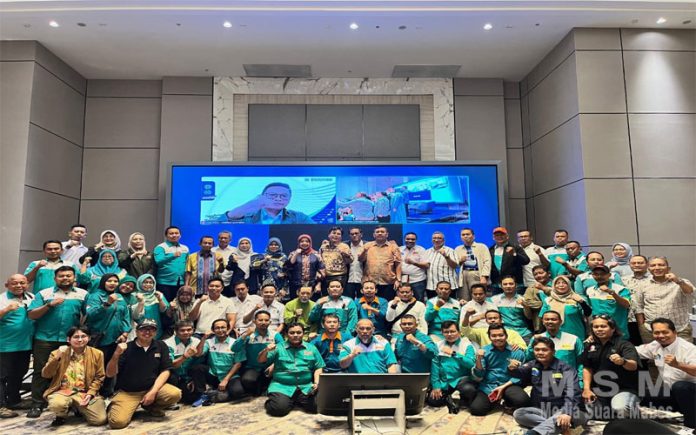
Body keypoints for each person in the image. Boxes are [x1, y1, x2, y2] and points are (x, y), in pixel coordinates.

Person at [27, 266, 88, 418]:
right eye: (61, 276)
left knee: (70, 371)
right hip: (45, 339)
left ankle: (69, 403)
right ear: (55, 278)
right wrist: (49, 305)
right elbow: (32, 315)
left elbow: (87, 315)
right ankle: (37, 404)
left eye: (69, 275)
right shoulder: (44, 293)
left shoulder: (83, 294)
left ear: (74, 278)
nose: (65, 278)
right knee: (41, 371)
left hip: (70, 341)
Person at [106, 319, 182, 429]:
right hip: (128, 392)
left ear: (155, 332)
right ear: (136, 331)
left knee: (175, 394)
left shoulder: (161, 345)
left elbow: (166, 370)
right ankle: (118, 406)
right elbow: (110, 374)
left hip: (150, 388)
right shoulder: (126, 348)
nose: (147, 332)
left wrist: (153, 392)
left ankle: (151, 407)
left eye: (151, 329)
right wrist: (116, 354)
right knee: (117, 423)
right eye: (143, 329)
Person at [511, 337, 586, 435]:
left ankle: (535, 433)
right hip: (543, 410)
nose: (540, 352)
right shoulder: (532, 365)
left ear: (553, 352)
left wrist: (566, 413)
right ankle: (560, 428)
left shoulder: (566, 369)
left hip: (566, 409)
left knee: (564, 417)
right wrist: (512, 368)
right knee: (518, 413)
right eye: (537, 350)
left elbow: (573, 393)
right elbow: (520, 373)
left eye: (544, 350)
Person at [636, 318, 696, 429]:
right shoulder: (655, 346)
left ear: (674, 332)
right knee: (644, 394)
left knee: (680, 386)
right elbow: (635, 351)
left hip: (691, 392)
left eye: (665, 332)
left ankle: (692, 425)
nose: (661, 336)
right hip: (674, 393)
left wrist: (678, 364)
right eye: (657, 333)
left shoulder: (688, 348)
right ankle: (683, 411)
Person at [41, 326, 107, 427]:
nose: (80, 340)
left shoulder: (97, 354)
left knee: (99, 420)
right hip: (63, 392)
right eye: (76, 337)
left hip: (84, 393)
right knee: (57, 404)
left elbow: (99, 377)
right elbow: (46, 374)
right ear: (68, 339)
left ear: (89, 338)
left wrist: (91, 393)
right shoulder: (57, 353)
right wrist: (57, 357)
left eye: (83, 336)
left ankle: (78, 408)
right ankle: (61, 415)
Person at [259, 323, 325, 417]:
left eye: (299, 332)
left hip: (305, 386)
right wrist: (266, 350)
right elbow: (261, 360)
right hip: (282, 386)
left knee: (319, 406)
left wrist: (316, 383)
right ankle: (283, 400)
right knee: (278, 409)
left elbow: (319, 367)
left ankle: (293, 400)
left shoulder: (311, 348)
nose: (295, 335)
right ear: (286, 334)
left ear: (303, 333)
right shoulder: (278, 347)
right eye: (292, 333)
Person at [582, 315, 641, 420]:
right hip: (600, 391)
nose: (599, 329)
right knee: (591, 412)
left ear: (613, 328)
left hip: (623, 389)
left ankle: (632, 411)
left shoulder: (624, 344)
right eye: (596, 327)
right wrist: (586, 389)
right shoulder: (590, 346)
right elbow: (587, 368)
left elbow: (633, 366)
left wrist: (623, 361)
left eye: (603, 326)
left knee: (621, 408)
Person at [85, 273, 131, 397]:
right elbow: (90, 314)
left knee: (112, 366)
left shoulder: (119, 296)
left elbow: (125, 316)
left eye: (115, 281)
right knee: (97, 368)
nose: (112, 283)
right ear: (103, 282)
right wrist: (107, 304)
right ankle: (92, 393)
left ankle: (107, 393)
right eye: (109, 281)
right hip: (100, 339)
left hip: (116, 339)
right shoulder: (95, 296)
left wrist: (125, 332)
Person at [469, 324, 530, 416]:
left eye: (501, 335)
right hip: (489, 386)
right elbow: (479, 375)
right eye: (494, 336)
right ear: (489, 337)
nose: (497, 338)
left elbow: (520, 376)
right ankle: (495, 401)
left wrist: (503, 387)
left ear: (506, 336)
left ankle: (506, 401)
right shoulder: (484, 351)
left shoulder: (517, 352)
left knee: (523, 401)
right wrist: (478, 359)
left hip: (508, 385)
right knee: (477, 410)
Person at [635, 256, 694, 343]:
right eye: (653, 265)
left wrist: (678, 281)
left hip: (679, 329)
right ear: (648, 269)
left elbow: (690, 292)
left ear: (668, 268)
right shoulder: (642, 285)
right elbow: (638, 307)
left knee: (685, 352)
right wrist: (641, 326)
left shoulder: (680, 282)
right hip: (651, 330)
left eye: (661, 265)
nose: (657, 268)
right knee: (653, 352)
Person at [0, 274, 34, 418]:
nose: (19, 286)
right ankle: (1, 406)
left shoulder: (31, 297)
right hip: (5, 345)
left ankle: (14, 401)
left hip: (25, 345)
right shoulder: (2, 299)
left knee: (18, 374)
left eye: (22, 283)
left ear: (27, 284)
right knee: (2, 377)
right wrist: (6, 309)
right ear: (7, 285)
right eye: (14, 283)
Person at [189, 319, 245, 404]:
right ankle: (202, 395)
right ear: (213, 330)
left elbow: (238, 364)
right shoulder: (209, 342)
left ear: (228, 328)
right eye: (217, 328)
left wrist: (225, 380)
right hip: (213, 374)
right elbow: (198, 354)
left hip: (229, 376)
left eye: (223, 327)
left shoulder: (235, 343)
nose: (220, 330)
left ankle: (217, 393)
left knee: (237, 392)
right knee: (197, 368)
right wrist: (204, 338)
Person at [427, 320, 477, 413]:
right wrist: (436, 386)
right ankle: (448, 397)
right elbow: (435, 367)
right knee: (433, 400)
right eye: (446, 332)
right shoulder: (438, 345)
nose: (449, 334)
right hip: (444, 381)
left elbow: (471, 364)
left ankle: (461, 398)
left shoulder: (467, 345)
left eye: (452, 331)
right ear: (442, 333)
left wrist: (454, 354)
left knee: (469, 390)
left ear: (459, 332)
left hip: (461, 380)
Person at [238, 311, 284, 396]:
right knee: (248, 380)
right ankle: (258, 388)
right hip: (253, 367)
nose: (263, 322)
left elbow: (283, 352)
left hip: (271, 367)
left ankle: (265, 386)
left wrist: (274, 365)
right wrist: (245, 335)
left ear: (270, 322)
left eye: (266, 320)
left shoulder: (275, 335)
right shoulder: (249, 335)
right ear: (254, 321)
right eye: (260, 320)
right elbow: (235, 348)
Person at [526, 310, 584, 379]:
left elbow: (581, 363)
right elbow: (529, 358)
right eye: (547, 319)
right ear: (543, 322)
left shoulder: (573, 339)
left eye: (553, 319)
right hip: (543, 380)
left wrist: (580, 380)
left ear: (560, 322)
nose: (550, 321)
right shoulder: (537, 339)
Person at [225, 182, 314, 224]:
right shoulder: (247, 214)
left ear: (289, 199)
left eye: (283, 196)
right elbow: (218, 223)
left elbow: (317, 229)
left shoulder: (299, 217)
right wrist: (246, 207)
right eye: (272, 195)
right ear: (262, 197)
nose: (278, 199)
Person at [539, 276, 592, 341]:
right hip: (554, 336)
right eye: (558, 283)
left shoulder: (577, 298)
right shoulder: (548, 300)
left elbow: (588, 313)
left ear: (569, 285)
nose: (561, 285)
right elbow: (542, 319)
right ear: (554, 286)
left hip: (576, 334)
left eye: (564, 283)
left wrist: (582, 302)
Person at [164, 320, 204, 404]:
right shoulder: (167, 343)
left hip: (189, 375)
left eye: (189, 330)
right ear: (176, 331)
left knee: (199, 368)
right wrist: (185, 356)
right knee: (184, 398)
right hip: (175, 376)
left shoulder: (196, 341)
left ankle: (200, 393)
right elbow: (171, 365)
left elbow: (199, 358)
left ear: (193, 330)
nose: (186, 332)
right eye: (182, 330)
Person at [585, 265, 632, 338]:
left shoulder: (620, 289)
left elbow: (626, 305)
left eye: (602, 274)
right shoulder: (590, 290)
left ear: (609, 275)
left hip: (618, 330)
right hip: (599, 331)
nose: (599, 276)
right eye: (596, 274)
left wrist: (611, 292)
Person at [358, 226, 402, 301]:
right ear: (374, 235)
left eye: (382, 232)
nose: (380, 233)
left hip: (388, 282)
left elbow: (398, 264)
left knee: (387, 304)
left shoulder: (393, 247)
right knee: (371, 303)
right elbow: (360, 260)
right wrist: (364, 251)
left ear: (387, 234)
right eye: (377, 232)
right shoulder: (367, 245)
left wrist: (398, 280)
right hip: (371, 283)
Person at [490, 276, 533, 341]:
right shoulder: (494, 300)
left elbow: (529, 317)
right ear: (500, 286)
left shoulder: (523, 299)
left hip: (523, 332)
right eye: (505, 284)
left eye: (511, 284)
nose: (508, 286)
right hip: (504, 332)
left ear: (516, 285)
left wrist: (525, 305)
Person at [461, 309, 528, 350]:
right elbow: (465, 330)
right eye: (490, 318)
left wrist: (518, 347)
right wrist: (467, 315)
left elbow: (524, 347)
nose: (492, 320)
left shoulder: (512, 333)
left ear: (501, 320)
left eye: (495, 318)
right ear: (486, 321)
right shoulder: (481, 332)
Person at [621, 254, 651, 345]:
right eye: (634, 263)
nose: (637, 265)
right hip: (629, 319)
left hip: (649, 318)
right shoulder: (623, 280)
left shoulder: (653, 279)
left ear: (647, 264)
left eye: (640, 263)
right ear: (630, 265)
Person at [153, 226, 189, 301]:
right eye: (171, 233)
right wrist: (173, 255)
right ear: (166, 236)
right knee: (165, 305)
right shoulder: (160, 247)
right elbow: (158, 261)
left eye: (176, 233)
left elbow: (187, 264)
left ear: (180, 235)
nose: (174, 235)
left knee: (179, 304)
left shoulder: (185, 248)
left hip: (180, 282)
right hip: (164, 282)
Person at [489, 227, 530, 293]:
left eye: (502, 235)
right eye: (497, 235)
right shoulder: (490, 249)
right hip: (496, 285)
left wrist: (514, 253)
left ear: (507, 236)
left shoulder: (515, 247)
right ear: (493, 237)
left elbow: (526, 261)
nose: (499, 237)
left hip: (514, 284)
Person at [455, 228, 491, 301]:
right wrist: (460, 261)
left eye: (467, 234)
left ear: (473, 236)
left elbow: (487, 262)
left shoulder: (482, 247)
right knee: (464, 298)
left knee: (478, 296)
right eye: (463, 235)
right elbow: (455, 265)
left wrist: (484, 276)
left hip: (477, 273)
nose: (465, 236)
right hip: (463, 275)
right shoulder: (458, 249)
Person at [286, 234, 325, 300]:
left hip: (312, 286)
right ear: (299, 243)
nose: (304, 243)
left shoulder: (316, 254)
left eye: (307, 241)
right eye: (302, 241)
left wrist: (319, 284)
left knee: (312, 304)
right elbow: (288, 266)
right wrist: (296, 254)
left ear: (310, 243)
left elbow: (322, 271)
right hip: (296, 286)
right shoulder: (293, 253)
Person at [131, 274, 170, 340]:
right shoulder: (134, 296)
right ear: (140, 283)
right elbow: (134, 315)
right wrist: (141, 302)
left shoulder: (158, 294)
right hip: (140, 326)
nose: (148, 284)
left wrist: (160, 299)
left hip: (156, 325)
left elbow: (163, 310)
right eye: (145, 282)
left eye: (151, 282)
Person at [425, 231, 459, 299]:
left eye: (439, 238)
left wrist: (446, 256)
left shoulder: (450, 250)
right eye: (434, 238)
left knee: (449, 305)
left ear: (443, 240)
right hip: (432, 286)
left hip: (448, 286)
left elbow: (455, 266)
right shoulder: (427, 252)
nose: (436, 240)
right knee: (433, 305)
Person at [318, 227, 353, 293]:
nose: (336, 235)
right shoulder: (323, 246)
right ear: (329, 235)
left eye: (338, 234)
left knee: (338, 296)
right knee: (325, 296)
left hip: (339, 276)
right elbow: (319, 260)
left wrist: (345, 255)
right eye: (334, 233)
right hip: (325, 277)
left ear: (341, 237)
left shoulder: (344, 246)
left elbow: (350, 261)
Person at [522, 265, 553, 332]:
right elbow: (527, 302)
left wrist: (544, 288)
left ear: (549, 274)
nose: (538, 275)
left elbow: (559, 297)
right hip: (539, 323)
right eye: (535, 274)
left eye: (541, 273)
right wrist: (543, 304)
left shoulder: (557, 285)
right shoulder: (531, 288)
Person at [400, 232, 429, 301]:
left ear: (416, 240)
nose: (410, 241)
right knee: (403, 300)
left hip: (418, 280)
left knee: (419, 300)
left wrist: (413, 263)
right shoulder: (399, 249)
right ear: (404, 239)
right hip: (403, 280)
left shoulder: (421, 250)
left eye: (413, 239)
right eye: (408, 239)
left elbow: (426, 265)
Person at [345, 227, 365, 299]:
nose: (354, 235)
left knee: (362, 302)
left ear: (361, 234)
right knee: (348, 302)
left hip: (363, 280)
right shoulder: (345, 245)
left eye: (356, 233)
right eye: (352, 234)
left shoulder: (367, 245)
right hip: (349, 280)